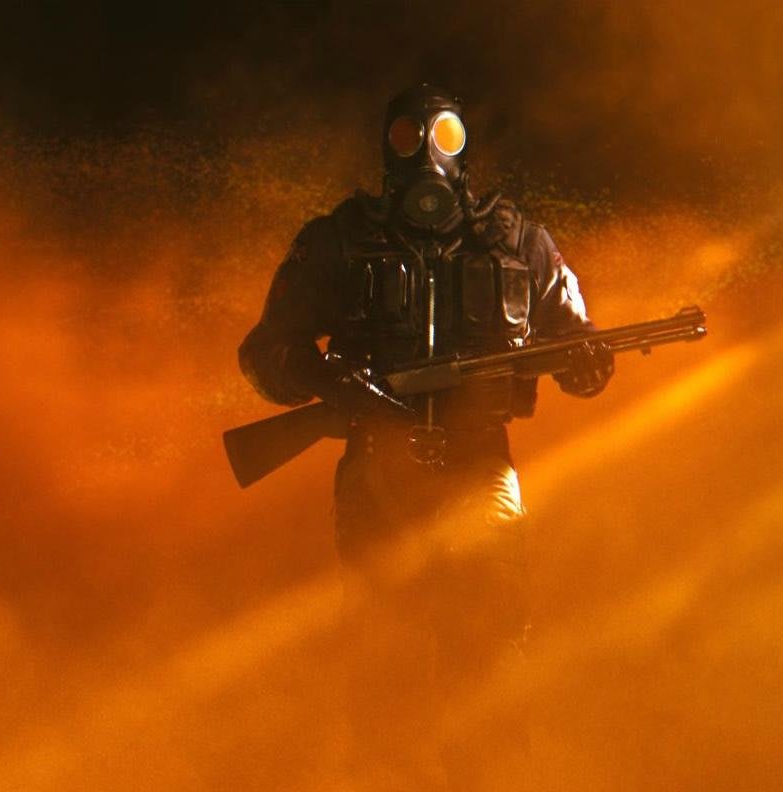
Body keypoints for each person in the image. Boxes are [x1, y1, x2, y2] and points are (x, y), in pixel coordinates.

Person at [238, 84, 614, 791]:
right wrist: (327, 381)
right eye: (410, 137)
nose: (426, 156)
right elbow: (264, 352)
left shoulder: (519, 241)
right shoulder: (338, 239)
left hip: (480, 461)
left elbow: (577, 344)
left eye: (444, 137)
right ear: (387, 146)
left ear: (464, 149)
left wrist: (588, 363)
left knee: (492, 640)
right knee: (383, 653)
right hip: (376, 460)